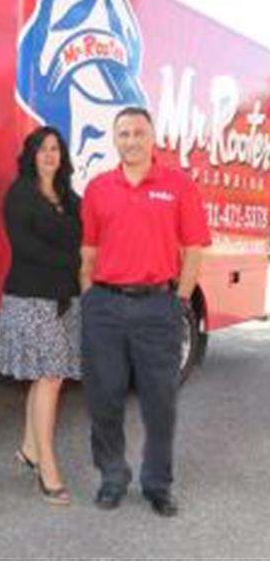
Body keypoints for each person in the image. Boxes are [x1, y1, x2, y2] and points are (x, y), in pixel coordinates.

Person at [79, 106, 211, 517]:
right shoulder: (99, 188)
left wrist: (180, 300)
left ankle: (157, 484)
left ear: (152, 137)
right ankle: (112, 477)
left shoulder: (178, 186)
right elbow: (89, 252)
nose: (131, 140)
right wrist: (90, 297)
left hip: (158, 306)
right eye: (124, 134)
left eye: (139, 132)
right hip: (105, 305)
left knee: (160, 402)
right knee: (105, 397)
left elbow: (194, 248)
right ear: (114, 140)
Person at [0, 125, 82, 506]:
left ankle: (30, 449)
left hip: (65, 299)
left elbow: (88, 234)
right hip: (32, 298)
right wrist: (77, 262)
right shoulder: (20, 194)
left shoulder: (69, 196)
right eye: (43, 149)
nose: (50, 155)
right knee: (48, 376)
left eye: (55, 149)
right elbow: (26, 248)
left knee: (51, 377)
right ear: (31, 154)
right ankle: (47, 466)